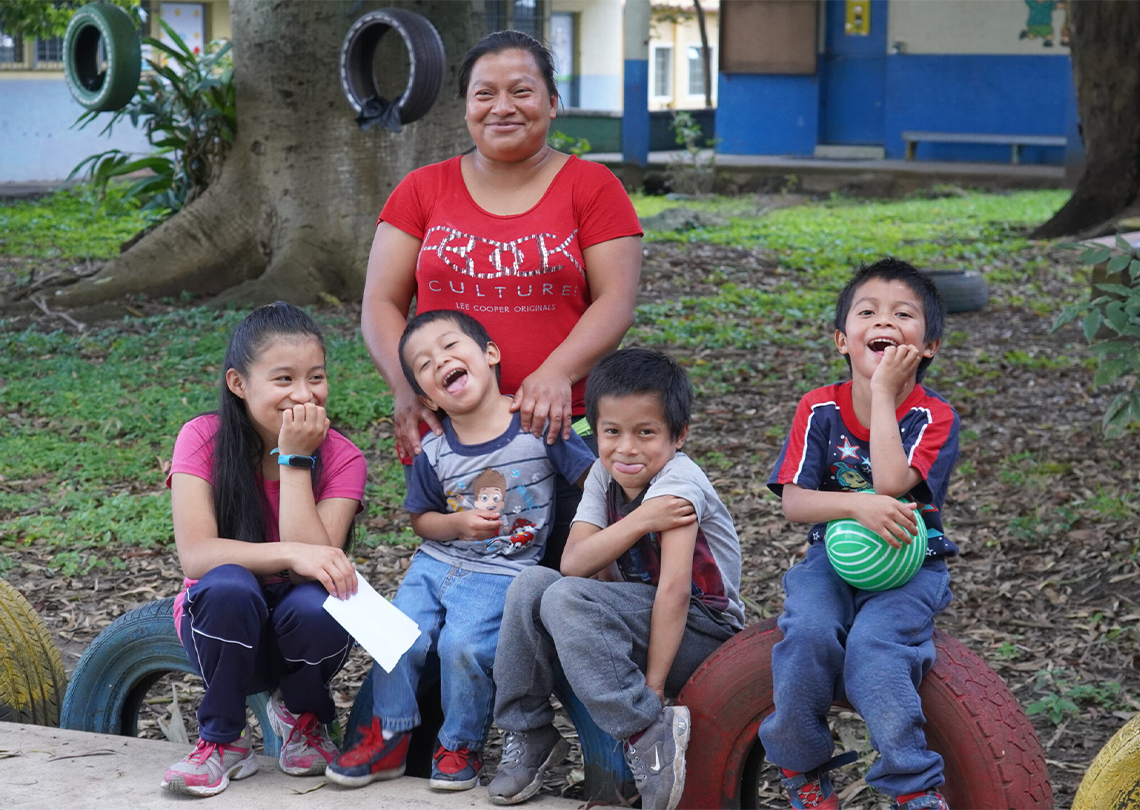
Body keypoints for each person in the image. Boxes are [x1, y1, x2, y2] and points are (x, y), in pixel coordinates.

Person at [361, 29, 642, 569]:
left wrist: (556, 371)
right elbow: (380, 301)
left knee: (568, 577)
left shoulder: (593, 186)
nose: (502, 107)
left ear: (553, 103)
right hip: (454, 434)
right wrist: (404, 385)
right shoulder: (422, 189)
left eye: (522, 91)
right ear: (466, 107)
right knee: (466, 575)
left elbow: (615, 301)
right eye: (484, 93)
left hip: (563, 427)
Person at [327, 310, 595, 791]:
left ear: (490, 354)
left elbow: (592, 480)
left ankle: (460, 745)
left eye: (451, 346)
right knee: (396, 636)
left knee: (462, 647)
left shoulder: (536, 426)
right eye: (425, 363)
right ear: (427, 396)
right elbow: (421, 520)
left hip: (502, 573)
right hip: (436, 564)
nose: (440, 360)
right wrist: (455, 524)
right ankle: (387, 737)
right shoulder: (433, 450)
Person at [489, 348, 745, 810]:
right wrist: (640, 519)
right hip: (636, 614)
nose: (626, 448)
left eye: (645, 432)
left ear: (678, 434)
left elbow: (675, 592)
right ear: (597, 431)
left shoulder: (678, 485)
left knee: (565, 598)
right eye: (612, 432)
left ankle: (648, 734)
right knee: (532, 586)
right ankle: (529, 733)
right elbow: (575, 561)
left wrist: (653, 687)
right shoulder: (605, 478)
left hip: (704, 632)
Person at [758, 259, 961, 810]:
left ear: (929, 346)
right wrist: (856, 506)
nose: (885, 321)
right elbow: (795, 503)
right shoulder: (818, 408)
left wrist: (886, 397)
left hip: (910, 568)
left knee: (875, 650)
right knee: (807, 634)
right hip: (831, 558)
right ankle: (800, 763)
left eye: (904, 314)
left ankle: (912, 786)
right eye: (868, 311)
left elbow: (894, 482)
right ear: (842, 340)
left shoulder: (933, 416)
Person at [161, 303, 366, 798]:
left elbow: (317, 566)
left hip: (302, 630)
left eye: (315, 377)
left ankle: (304, 717)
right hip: (223, 625)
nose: (303, 394)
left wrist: (295, 459)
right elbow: (196, 556)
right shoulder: (202, 438)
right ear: (238, 383)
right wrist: (287, 554)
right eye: (283, 379)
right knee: (229, 585)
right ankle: (222, 740)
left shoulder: (342, 456)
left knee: (316, 602)